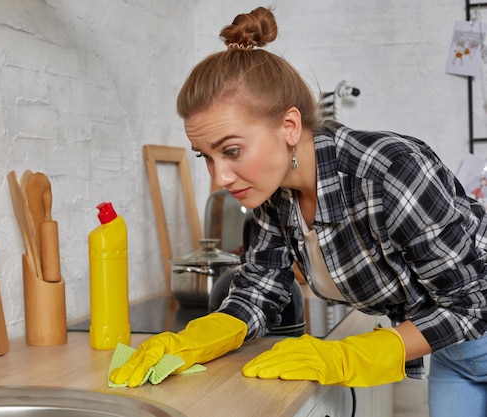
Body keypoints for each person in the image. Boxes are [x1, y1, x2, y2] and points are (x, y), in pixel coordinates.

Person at [110, 6, 487, 416]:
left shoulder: (389, 171)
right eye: (206, 156)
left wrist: (348, 356)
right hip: (454, 351)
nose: (220, 176)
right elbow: (260, 289)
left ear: (289, 127)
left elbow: (472, 302)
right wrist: (196, 338)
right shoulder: (274, 195)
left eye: (232, 151)